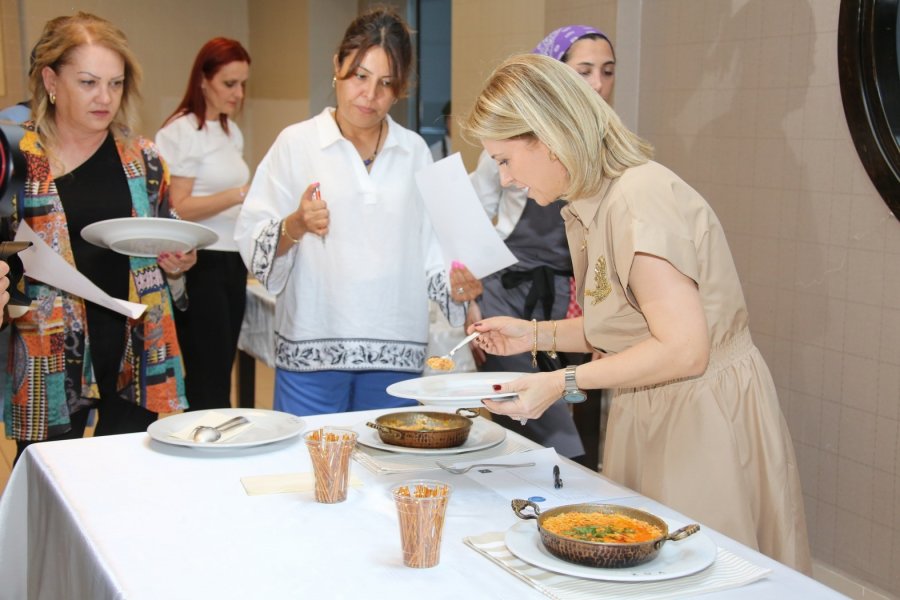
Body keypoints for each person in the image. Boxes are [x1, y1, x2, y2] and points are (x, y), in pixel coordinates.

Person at [463, 54, 812, 572]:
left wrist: (561, 382)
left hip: (698, 413)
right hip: (647, 404)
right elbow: (628, 324)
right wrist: (529, 334)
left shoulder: (638, 199)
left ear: (549, 136)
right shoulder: (590, 202)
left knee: (696, 568)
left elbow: (683, 348)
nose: (506, 178)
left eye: (505, 159)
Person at [234, 7, 480, 416]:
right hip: (312, 346)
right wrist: (295, 225)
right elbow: (253, 239)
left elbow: (435, 250)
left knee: (384, 470)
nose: (370, 95)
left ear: (401, 88)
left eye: (386, 84)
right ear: (337, 66)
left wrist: (459, 285)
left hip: (395, 350)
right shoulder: (296, 144)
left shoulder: (415, 151)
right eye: (360, 76)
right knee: (309, 466)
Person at [3, 13, 195, 463]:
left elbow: (166, 231)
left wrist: (178, 262)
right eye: (89, 82)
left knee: (133, 478)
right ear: (51, 80)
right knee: (50, 484)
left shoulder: (142, 157)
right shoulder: (16, 157)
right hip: (47, 349)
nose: (104, 98)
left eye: (115, 83)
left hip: (137, 344)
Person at [467, 25, 617, 460]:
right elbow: (471, 221)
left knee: (567, 408)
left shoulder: (605, 157)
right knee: (540, 419)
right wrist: (470, 303)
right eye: (583, 71)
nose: (597, 85)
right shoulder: (510, 144)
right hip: (507, 294)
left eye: (607, 72)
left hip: (566, 300)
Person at [156, 38, 251, 412]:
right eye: (230, 84)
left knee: (221, 368)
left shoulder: (230, 131)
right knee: (205, 375)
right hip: (200, 262)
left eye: (243, 84)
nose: (239, 93)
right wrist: (240, 194)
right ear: (203, 80)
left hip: (232, 259)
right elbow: (176, 207)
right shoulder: (181, 131)